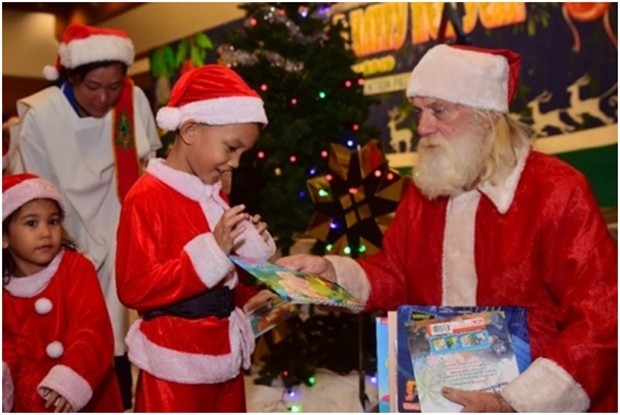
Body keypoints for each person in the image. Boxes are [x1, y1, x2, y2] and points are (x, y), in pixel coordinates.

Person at [277, 44, 617, 412]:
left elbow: (602, 317)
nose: (422, 127)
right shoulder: (426, 192)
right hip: (440, 397)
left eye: (438, 110)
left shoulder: (556, 191)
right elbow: (395, 274)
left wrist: (516, 402)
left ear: (486, 115)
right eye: (419, 112)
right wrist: (333, 273)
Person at [7, 24, 161, 408]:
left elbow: (145, 166)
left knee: (114, 333)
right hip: (63, 231)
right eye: (93, 86)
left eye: (113, 86)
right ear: (72, 75)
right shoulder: (41, 115)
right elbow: (34, 196)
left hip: (119, 223)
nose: (104, 97)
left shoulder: (131, 99)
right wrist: (66, 242)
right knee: (68, 331)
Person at [115, 64, 278, 412]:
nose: (234, 163)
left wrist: (248, 288)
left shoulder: (213, 192)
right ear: (189, 130)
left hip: (224, 355)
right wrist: (212, 251)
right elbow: (134, 287)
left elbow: (221, 280)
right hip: (174, 365)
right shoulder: (146, 196)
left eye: (242, 154)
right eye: (230, 148)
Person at [2, 173, 123, 412]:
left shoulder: (76, 268)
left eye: (53, 221)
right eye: (31, 223)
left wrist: (70, 380)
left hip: (88, 396)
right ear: (4, 237)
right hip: (31, 403)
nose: (46, 232)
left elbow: (92, 330)